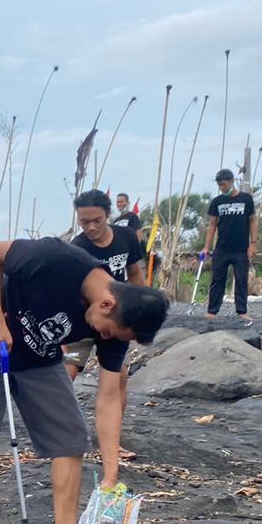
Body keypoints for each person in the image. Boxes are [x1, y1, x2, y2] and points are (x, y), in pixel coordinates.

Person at [0, 237, 169, 524]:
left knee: (71, 439)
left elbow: (108, 398)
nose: (106, 339)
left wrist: (111, 472)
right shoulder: (54, 258)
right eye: (108, 333)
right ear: (106, 304)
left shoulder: (117, 327)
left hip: (41, 362)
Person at [69, 189, 146, 461]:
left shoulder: (126, 237)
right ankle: (62, 436)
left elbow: (135, 274)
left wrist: (139, 311)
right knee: (67, 372)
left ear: (108, 215)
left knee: (117, 378)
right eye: (84, 222)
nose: (90, 227)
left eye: (96, 221)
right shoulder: (76, 247)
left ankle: (113, 442)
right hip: (83, 319)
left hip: (117, 319)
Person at [203, 169, 257, 322]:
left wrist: (253, 243)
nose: (222, 188)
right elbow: (212, 225)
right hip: (222, 248)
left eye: (224, 184)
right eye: (220, 185)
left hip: (241, 249)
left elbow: (252, 221)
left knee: (241, 279)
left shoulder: (246, 199)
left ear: (232, 181)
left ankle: (241, 311)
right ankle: (212, 311)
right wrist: (206, 247)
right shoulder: (217, 202)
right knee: (217, 279)